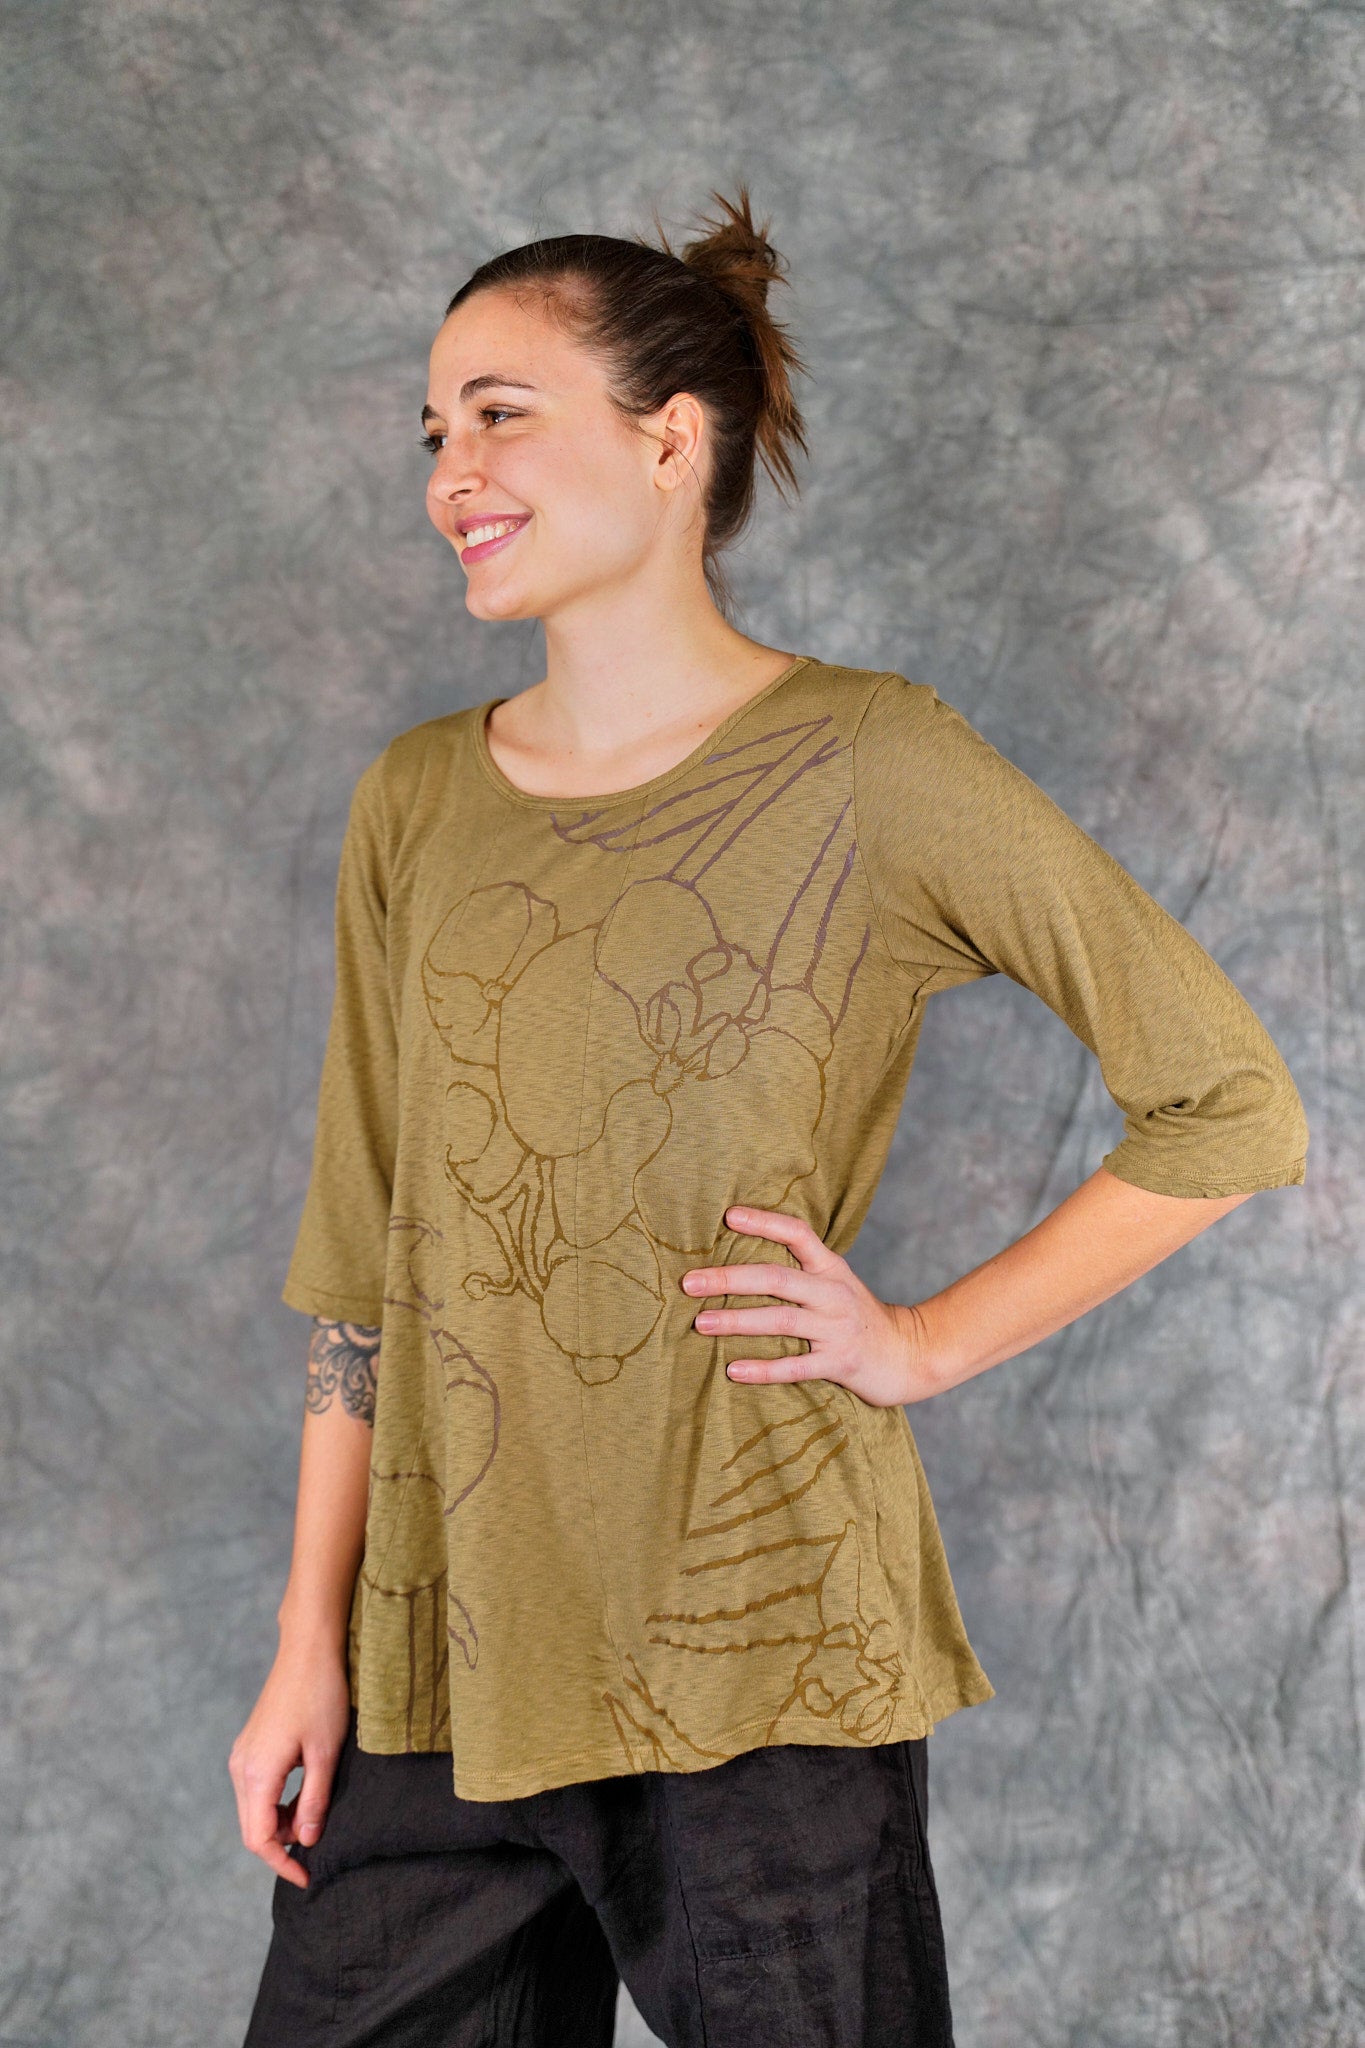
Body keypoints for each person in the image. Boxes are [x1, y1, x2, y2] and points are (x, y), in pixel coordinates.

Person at [230, 186, 1309, 2047]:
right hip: (443, 1663)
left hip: (762, 1650)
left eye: (500, 413)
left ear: (670, 443)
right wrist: (304, 1647)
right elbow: (363, 1268)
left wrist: (922, 1342)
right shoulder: (414, 803)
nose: (449, 472)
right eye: (432, 431)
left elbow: (1231, 1105)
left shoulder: (875, 760)